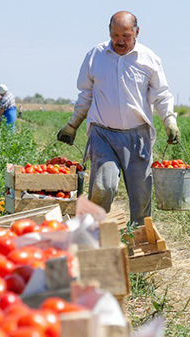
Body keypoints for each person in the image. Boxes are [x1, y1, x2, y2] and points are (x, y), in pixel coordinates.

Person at [56, 11, 181, 225]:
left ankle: (139, 244)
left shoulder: (149, 59)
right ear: (109, 32)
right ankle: (94, 235)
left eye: (126, 36)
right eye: (115, 35)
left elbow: (161, 95)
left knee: (141, 197)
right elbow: (86, 94)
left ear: (137, 32)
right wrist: (72, 125)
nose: (119, 41)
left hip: (137, 136)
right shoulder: (95, 56)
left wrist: (169, 122)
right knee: (103, 187)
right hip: (102, 134)